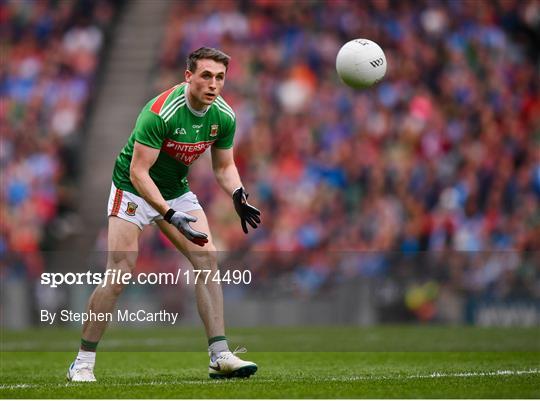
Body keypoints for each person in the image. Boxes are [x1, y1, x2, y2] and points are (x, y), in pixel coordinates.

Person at [67, 47, 261, 382]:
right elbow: (139, 173)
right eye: (206, 75)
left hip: (174, 188)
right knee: (119, 273)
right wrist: (168, 214)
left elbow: (224, 166)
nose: (213, 84)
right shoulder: (160, 113)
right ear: (188, 76)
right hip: (132, 187)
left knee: (207, 259)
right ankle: (82, 363)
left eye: (220, 77)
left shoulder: (224, 116)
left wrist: (238, 193)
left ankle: (219, 355)